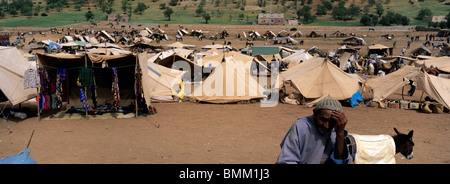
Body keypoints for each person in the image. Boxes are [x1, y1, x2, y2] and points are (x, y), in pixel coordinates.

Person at [276, 95, 353, 164]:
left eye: (332, 122)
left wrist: (340, 133)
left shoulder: (337, 129)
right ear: (315, 113)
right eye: (323, 119)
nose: (326, 126)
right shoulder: (301, 126)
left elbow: (340, 160)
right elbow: (287, 160)